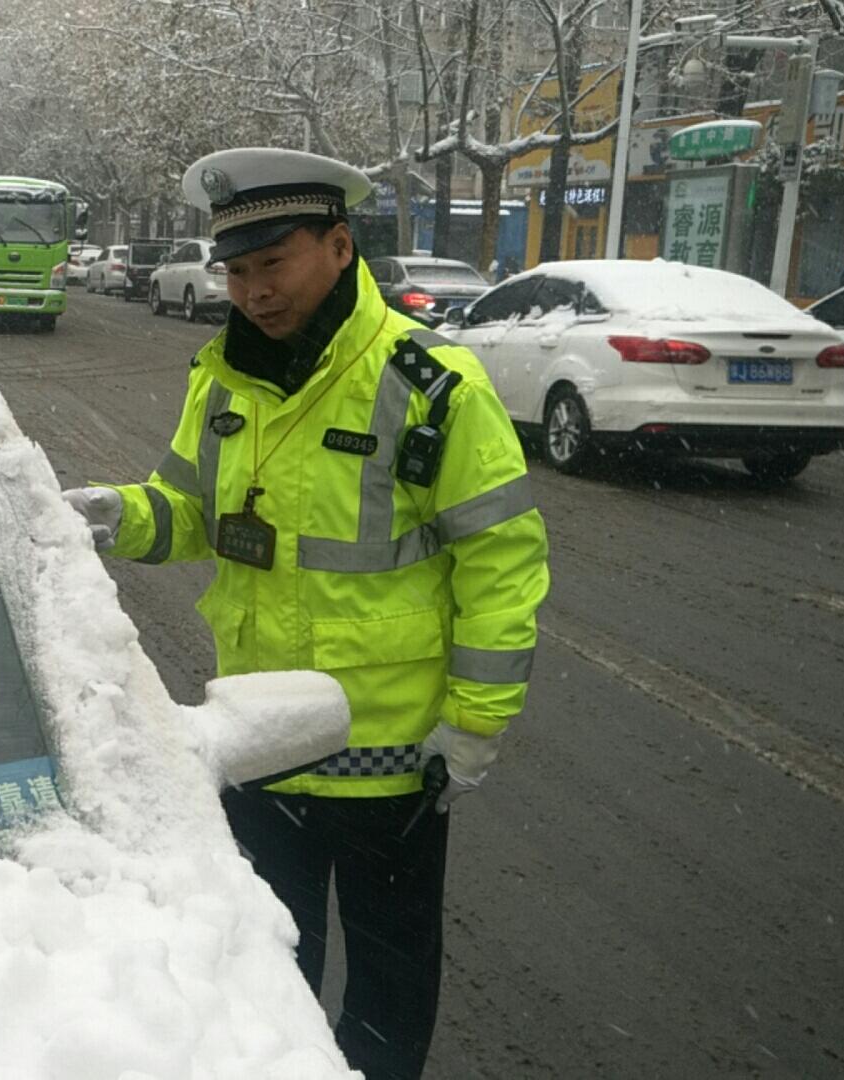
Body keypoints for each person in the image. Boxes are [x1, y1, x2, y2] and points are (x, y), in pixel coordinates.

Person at [61, 148, 549, 1078]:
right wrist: (120, 516)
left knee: (389, 990)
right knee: (263, 977)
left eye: (272, 265)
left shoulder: (429, 384)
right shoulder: (222, 383)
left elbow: (502, 556)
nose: (253, 292)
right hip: (262, 745)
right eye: (236, 272)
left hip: (391, 766)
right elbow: (193, 514)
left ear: (337, 246)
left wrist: (477, 722)